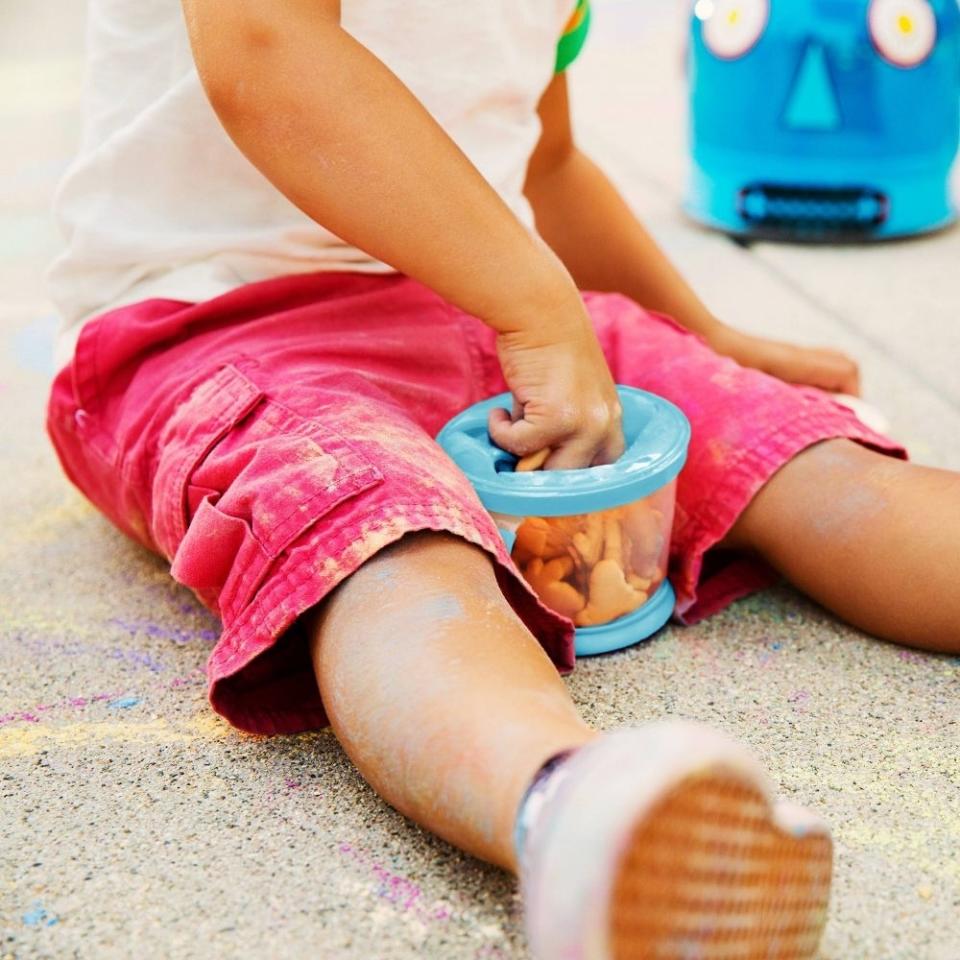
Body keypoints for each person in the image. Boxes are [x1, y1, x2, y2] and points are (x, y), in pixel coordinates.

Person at [44, 1, 959, 956]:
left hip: (499, 309)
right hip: (224, 327)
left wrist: (703, 338)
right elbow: (266, 49)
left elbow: (544, 163)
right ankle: (576, 809)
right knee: (395, 556)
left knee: (814, 470)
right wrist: (535, 309)